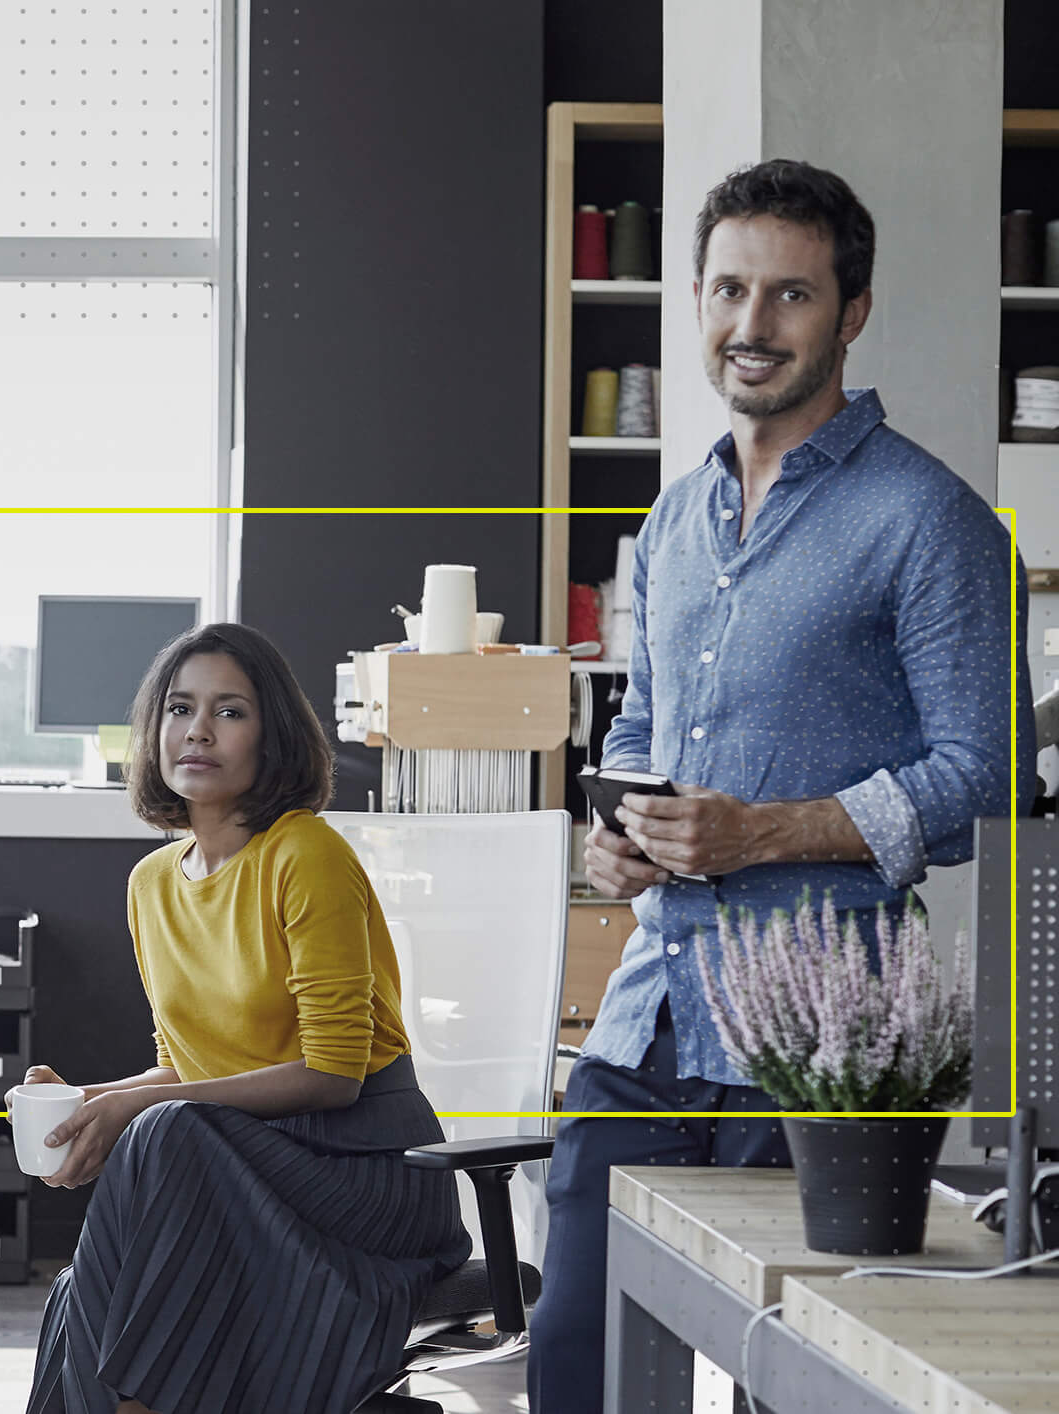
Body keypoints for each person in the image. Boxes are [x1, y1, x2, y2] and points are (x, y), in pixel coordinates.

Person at [526, 159, 1030, 1414]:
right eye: (727, 290)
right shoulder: (672, 520)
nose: (750, 327)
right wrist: (618, 840)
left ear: (849, 313)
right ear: (695, 299)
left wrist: (765, 833)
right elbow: (642, 718)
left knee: (782, 1390)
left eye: (789, 296)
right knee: (574, 1361)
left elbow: (989, 772)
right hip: (648, 1013)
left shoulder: (928, 519)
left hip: (821, 1047)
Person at [23, 622, 471, 1414]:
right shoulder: (152, 883)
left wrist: (138, 1108)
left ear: (273, 737)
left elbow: (334, 1076)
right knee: (91, 1270)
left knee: (161, 1135)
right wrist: (93, 1102)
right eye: (179, 708)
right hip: (242, 1159)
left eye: (229, 712)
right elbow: (186, 1068)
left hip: (367, 1164)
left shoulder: (306, 854)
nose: (197, 729)